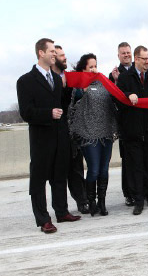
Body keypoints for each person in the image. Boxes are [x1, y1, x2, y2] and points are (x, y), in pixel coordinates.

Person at [16, 38, 81, 234]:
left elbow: (63, 104)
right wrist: (48, 113)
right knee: (38, 181)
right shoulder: (25, 81)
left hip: (60, 137)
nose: (55, 54)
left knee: (59, 176)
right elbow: (26, 112)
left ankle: (61, 212)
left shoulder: (56, 79)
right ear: (41, 53)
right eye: (52, 51)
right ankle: (43, 219)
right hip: (41, 139)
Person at [116, 45, 148, 215]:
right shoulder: (125, 78)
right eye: (144, 59)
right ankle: (139, 201)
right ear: (136, 59)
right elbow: (117, 99)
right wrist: (127, 95)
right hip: (133, 132)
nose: (147, 62)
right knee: (136, 167)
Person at [69, 53, 118, 216]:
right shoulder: (78, 87)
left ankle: (102, 202)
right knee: (94, 169)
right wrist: (82, 90)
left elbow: (114, 99)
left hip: (105, 133)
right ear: (83, 69)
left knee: (104, 170)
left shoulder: (103, 83)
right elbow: (73, 106)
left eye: (95, 65)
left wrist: (115, 81)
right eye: (90, 66)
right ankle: (91, 201)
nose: (94, 69)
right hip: (88, 134)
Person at [52, 45, 89, 213]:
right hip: (57, 132)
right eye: (61, 56)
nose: (65, 58)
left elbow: (80, 98)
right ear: (53, 59)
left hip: (74, 131)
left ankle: (82, 201)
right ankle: (61, 208)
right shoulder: (50, 80)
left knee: (77, 168)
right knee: (59, 172)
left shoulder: (71, 78)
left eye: (65, 55)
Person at [109, 42, 135, 206]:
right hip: (125, 124)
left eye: (128, 52)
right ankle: (129, 193)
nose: (126, 55)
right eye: (123, 53)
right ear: (118, 56)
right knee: (127, 161)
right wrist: (117, 82)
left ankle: (141, 190)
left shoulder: (137, 70)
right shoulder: (113, 76)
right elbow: (114, 99)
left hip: (140, 122)